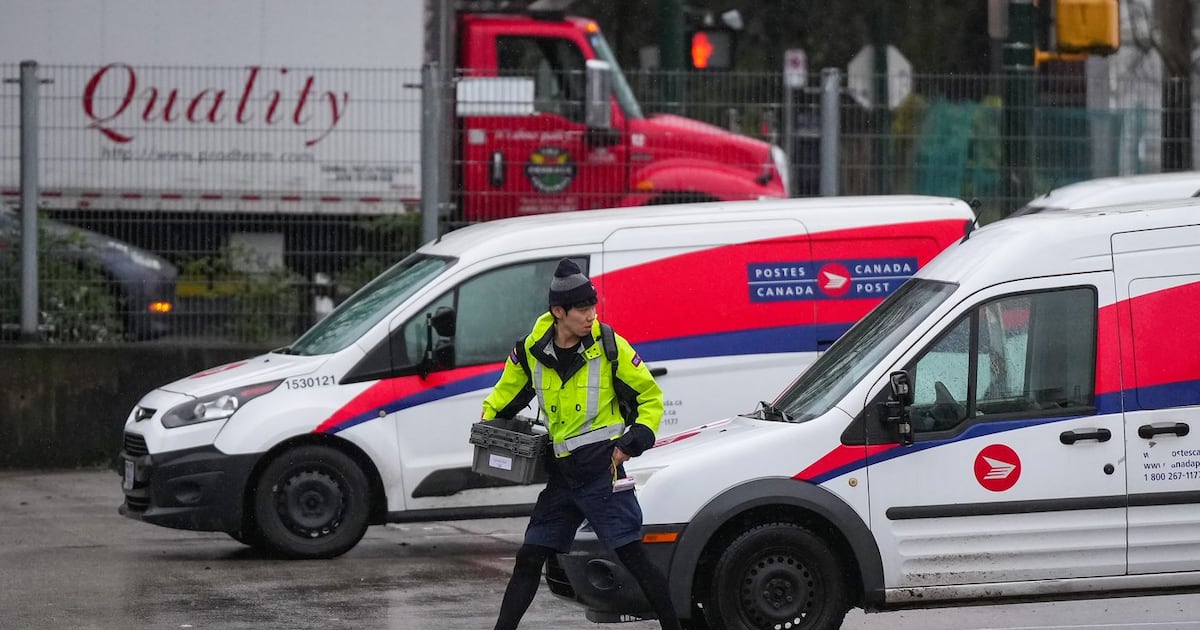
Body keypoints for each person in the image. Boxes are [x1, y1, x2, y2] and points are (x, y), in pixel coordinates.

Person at [482, 258, 682, 630]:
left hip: (601, 471)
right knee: (529, 556)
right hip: (562, 476)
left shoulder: (609, 345)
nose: (591, 315)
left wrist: (631, 442)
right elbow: (502, 398)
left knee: (634, 557)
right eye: (582, 308)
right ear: (559, 312)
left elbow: (649, 398)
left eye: (593, 306)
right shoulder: (530, 350)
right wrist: (488, 429)